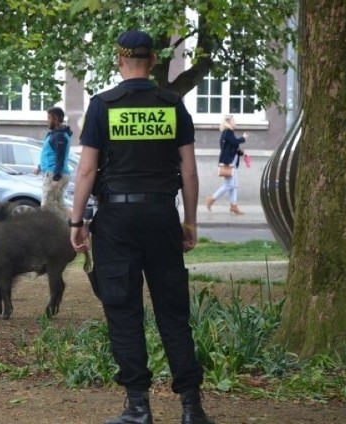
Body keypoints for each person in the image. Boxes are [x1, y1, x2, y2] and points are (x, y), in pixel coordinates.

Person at [69, 30, 215, 424]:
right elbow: (189, 170)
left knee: (123, 310)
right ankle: (192, 408)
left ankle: (137, 408)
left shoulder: (103, 106)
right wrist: (189, 221)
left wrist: (76, 220)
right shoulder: (172, 105)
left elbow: (86, 170)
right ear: (152, 61)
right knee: (173, 312)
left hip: (116, 221)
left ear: (120, 60)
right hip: (161, 217)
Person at [34, 106, 73, 219]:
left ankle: (51, 231)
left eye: (49, 117)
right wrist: (41, 167)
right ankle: (81, 222)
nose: (47, 120)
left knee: (47, 206)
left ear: (55, 119)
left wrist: (56, 177)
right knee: (59, 204)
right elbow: (50, 154)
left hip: (54, 174)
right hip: (54, 172)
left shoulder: (59, 135)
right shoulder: (57, 134)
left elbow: (60, 157)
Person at [205, 115, 248, 215]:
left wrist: (241, 153)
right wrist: (243, 138)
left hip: (233, 161)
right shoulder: (228, 132)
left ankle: (233, 206)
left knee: (234, 185)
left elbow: (232, 147)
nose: (235, 122)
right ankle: (211, 199)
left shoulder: (229, 133)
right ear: (228, 122)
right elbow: (234, 142)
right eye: (233, 120)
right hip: (228, 162)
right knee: (229, 185)